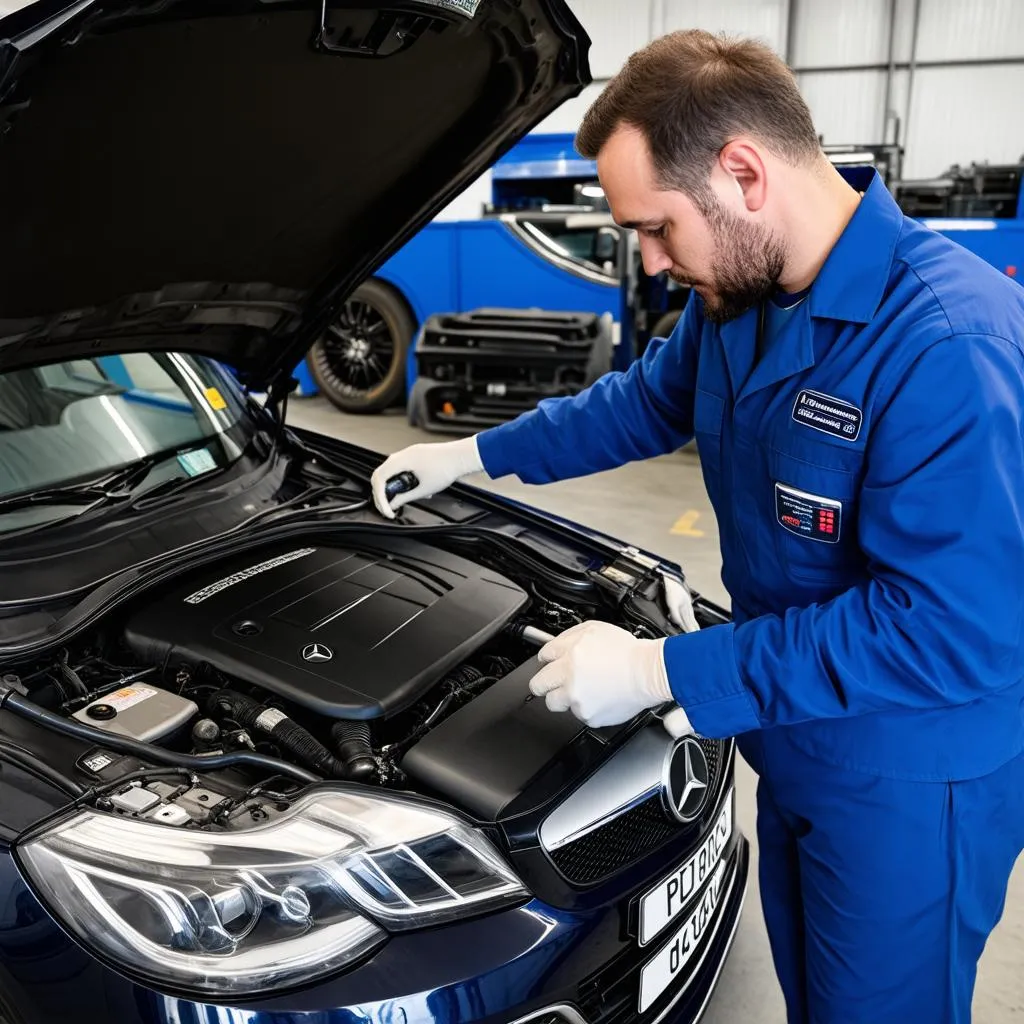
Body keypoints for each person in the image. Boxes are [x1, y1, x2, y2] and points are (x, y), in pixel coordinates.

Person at [370, 29, 1024, 1024]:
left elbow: (943, 628)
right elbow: (636, 405)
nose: (650, 261)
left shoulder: (943, 342)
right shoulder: (738, 300)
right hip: (791, 736)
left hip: (907, 779)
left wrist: (661, 672)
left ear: (743, 173)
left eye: (657, 228)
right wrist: (472, 456)